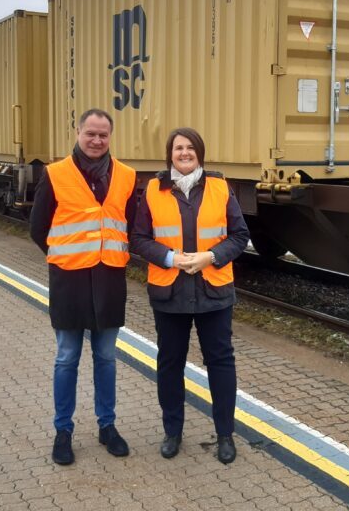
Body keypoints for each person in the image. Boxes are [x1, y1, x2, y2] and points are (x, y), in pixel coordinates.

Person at [130, 127, 250, 464]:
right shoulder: (153, 190)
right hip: (170, 293)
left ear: (200, 152)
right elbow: (138, 237)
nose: (184, 153)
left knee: (221, 363)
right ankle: (172, 432)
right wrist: (171, 258)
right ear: (170, 153)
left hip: (214, 292)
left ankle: (225, 434)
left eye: (190, 148)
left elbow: (240, 236)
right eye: (178, 148)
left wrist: (209, 257)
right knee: (170, 364)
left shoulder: (220, 188)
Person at [29, 108, 136, 466]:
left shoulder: (126, 175)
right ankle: (63, 431)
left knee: (106, 359)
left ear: (111, 136)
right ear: (77, 132)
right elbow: (37, 227)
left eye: (103, 135)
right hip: (70, 281)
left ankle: (108, 427)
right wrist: (63, 256)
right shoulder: (55, 174)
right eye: (90, 133)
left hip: (109, 281)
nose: (96, 140)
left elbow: (130, 225)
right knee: (67, 358)